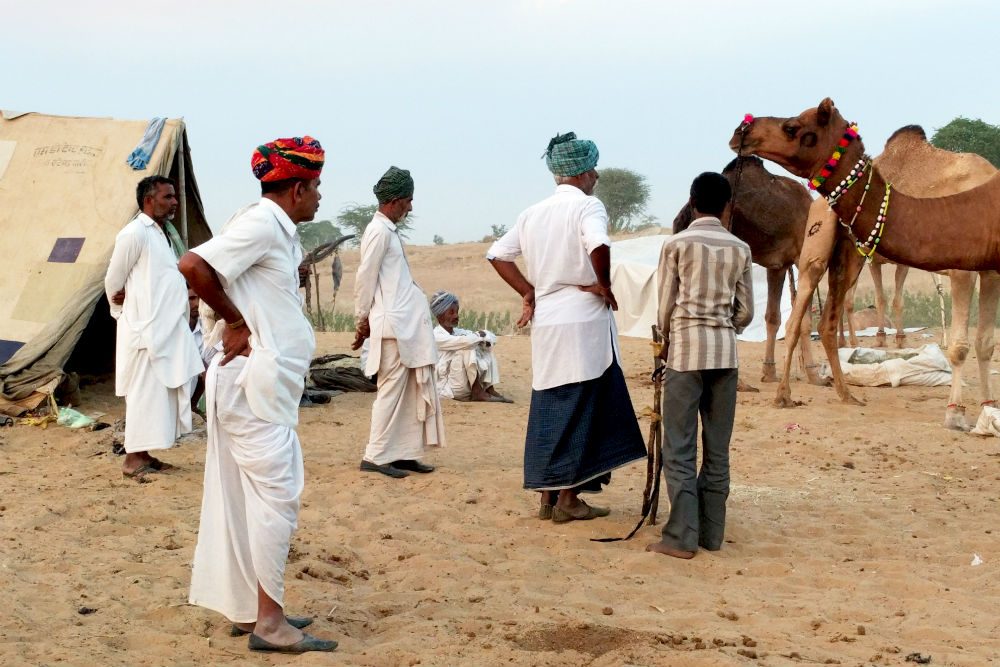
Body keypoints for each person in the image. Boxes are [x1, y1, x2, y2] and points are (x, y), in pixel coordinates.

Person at [180, 136, 337, 654]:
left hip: (258, 387)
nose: (319, 197)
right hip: (254, 388)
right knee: (277, 499)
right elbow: (192, 265)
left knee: (249, 498)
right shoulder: (260, 223)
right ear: (296, 189)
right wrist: (236, 318)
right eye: (315, 188)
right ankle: (269, 624)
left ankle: (252, 609)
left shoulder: (276, 229)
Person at [487, 132, 646, 523]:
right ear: (585, 172)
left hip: (549, 322)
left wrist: (530, 291)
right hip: (583, 321)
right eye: (594, 169)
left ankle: (547, 498)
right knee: (583, 406)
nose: (596, 176)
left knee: (551, 404)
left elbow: (497, 254)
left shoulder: (532, 213)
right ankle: (569, 500)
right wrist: (604, 284)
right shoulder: (588, 207)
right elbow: (599, 245)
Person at [646, 172, 754, 560]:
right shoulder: (741, 248)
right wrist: (725, 327)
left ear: (692, 203)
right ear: (727, 207)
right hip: (725, 356)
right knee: (718, 449)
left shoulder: (677, 244)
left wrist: (665, 345)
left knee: (679, 447)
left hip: (685, 356)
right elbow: (746, 312)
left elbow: (664, 306)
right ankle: (711, 534)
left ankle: (680, 538)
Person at [104, 176, 204, 477]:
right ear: (149, 199)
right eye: (168, 196)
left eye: (174, 196)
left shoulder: (163, 234)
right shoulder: (134, 233)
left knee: (166, 391)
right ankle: (133, 460)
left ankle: (144, 454)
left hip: (167, 330)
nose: (174, 202)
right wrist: (123, 308)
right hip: (145, 332)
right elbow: (113, 280)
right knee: (143, 396)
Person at [352, 166, 444, 479]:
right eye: (408, 200)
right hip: (392, 328)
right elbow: (366, 278)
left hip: (405, 328)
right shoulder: (378, 232)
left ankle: (403, 453)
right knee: (391, 392)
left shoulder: (388, 231)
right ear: (394, 201)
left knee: (408, 394)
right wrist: (361, 320)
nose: (410, 207)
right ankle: (375, 456)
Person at [429, 290, 511, 402]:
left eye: (457, 312)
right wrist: (479, 336)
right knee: (467, 346)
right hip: (450, 389)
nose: (456, 316)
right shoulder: (436, 336)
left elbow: (491, 337)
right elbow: (466, 342)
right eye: (451, 312)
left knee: (486, 347)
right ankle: (477, 391)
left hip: (465, 385)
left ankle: (488, 389)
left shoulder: (458, 332)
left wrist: (482, 338)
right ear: (440, 316)